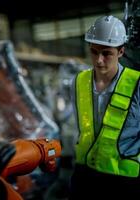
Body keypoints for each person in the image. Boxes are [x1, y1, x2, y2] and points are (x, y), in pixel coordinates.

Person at [70, 15, 140, 199]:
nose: (99, 60)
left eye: (106, 53)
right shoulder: (79, 81)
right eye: (94, 52)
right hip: (84, 175)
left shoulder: (137, 84)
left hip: (123, 179)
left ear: (121, 52)